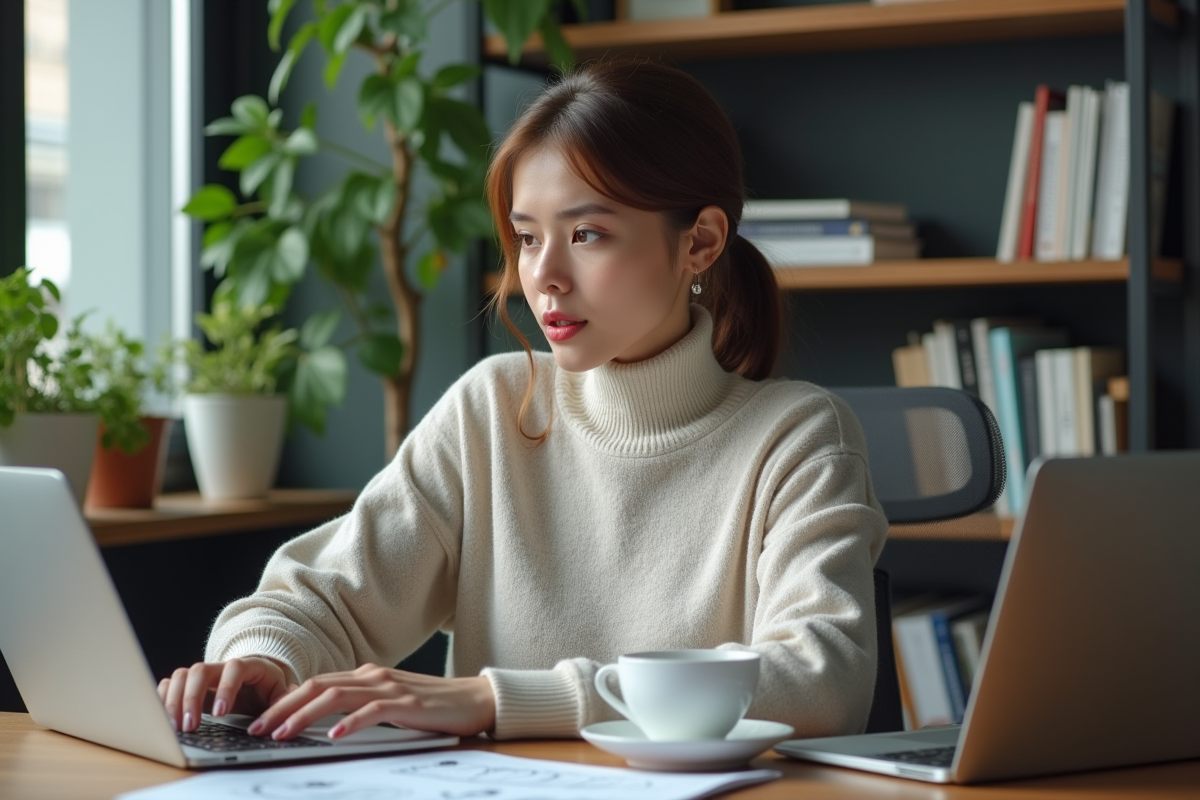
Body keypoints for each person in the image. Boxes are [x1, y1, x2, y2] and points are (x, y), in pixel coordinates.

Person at [158, 60, 888, 744]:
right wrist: (262, 661)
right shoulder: (493, 407)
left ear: (699, 242)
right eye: (527, 237)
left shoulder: (797, 436)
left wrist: (497, 700)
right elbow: (324, 599)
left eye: (588, 234)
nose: (544, 277)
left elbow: (823, 681)